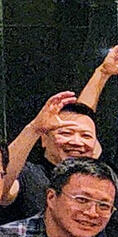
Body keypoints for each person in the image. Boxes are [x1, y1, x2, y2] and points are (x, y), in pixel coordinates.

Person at [0, 96, 100, 224]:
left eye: (86, 136)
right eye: (66, 133)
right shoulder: (28, 175)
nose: (76, 142)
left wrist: (101, 75)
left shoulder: (97, 185)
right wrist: (34, 128)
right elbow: (3, 187)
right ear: (44, 139)